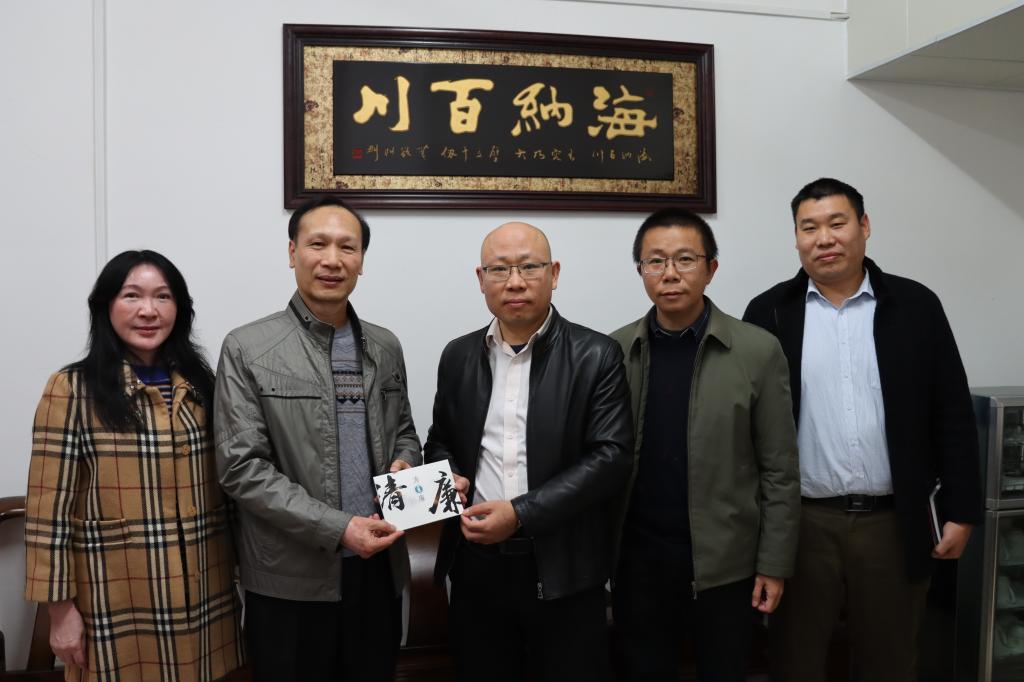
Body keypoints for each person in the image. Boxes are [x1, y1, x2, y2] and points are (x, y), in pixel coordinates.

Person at [743, 177, 983, 681]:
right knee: (794, 661)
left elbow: (952, 412)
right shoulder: (769, 312)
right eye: (809, 227)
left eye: (837, 223)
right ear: (796, 238)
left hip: (892, 522)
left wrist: (962, 511)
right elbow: (748, 427)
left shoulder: (916, 305)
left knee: (890, 663)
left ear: (864, 226)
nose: (824, 238)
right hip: (802, 525)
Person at [213, 195, 421, 682]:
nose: (332, 259)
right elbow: (242, 468)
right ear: (292, 253)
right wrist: (339, 528)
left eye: (347, 247)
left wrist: (405, 465)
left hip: (378, 569)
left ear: (361, 260)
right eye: (317, 244)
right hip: (290, 580)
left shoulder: (385, 345)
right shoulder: (247, 347)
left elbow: (405, 433)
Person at [424, 221, 632, 682]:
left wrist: (520, 514)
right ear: (481, 279)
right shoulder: (458, 356)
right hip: (476, 566)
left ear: (553, 274)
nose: (514, 282)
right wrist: (448, 475)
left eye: (529, 267)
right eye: (499, 269)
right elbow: (440, 439)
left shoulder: (597, 355)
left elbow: (611, 458)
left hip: (563, 568)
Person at [24, 250, 242, 682]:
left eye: (163, 296)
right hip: (117, 596)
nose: (148, 310)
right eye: (132, 296)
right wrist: (59, 611)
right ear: (105, 306)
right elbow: (47, 512)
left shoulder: (202, 384)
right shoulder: (71, 389)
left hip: (206, 593)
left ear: (179, 309)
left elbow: (230, 486)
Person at [609, 208, 800, 681]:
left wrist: (773, 564)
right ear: (640, 271)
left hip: (727, 567)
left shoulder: (757, 351)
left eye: (685, 259)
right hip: (639, 563)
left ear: (711, 268)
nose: (669, 273)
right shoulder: (614, 351)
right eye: (655, 261)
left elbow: (779, 469)